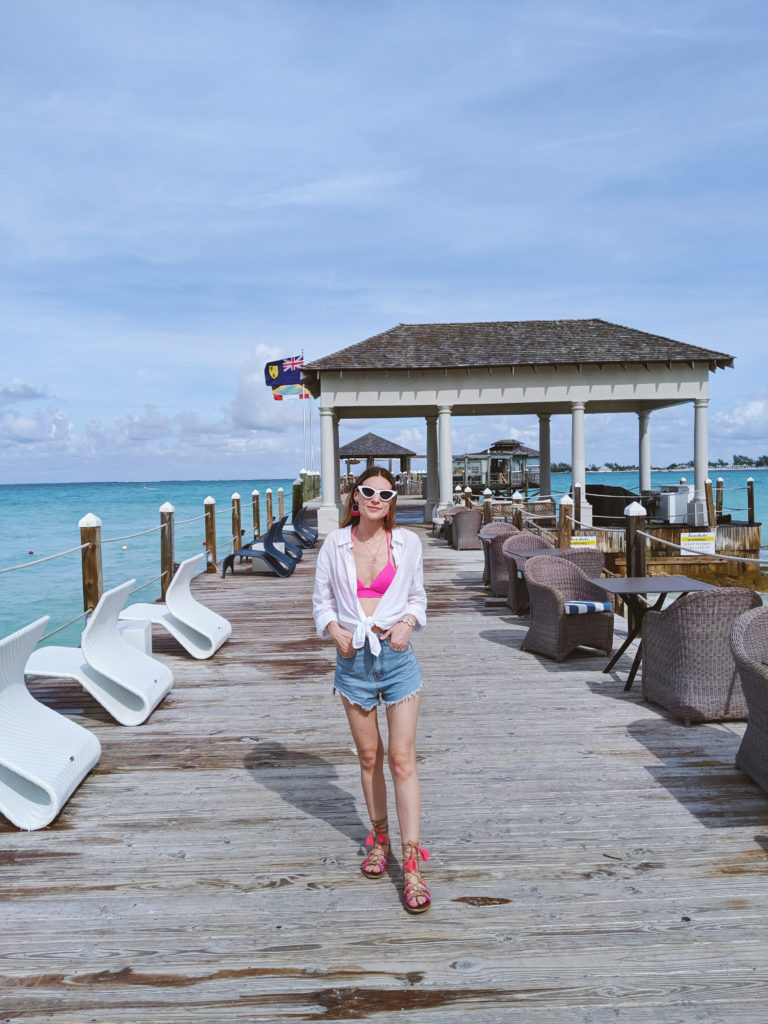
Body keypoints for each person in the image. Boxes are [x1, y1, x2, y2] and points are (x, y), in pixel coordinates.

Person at [312, 466, 430, 913]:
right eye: (368, 491)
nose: (376, 499)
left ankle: (414, 865)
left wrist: (406, 622)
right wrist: (332, 629)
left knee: (402, 759)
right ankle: (380, 840)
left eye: (385, 493)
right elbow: (321, 600)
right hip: (352, 662)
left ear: (392, 499)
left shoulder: (408, 543)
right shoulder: (335, 544)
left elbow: (417, 597)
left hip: (397, 658)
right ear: (355, 497)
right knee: (368, 757)